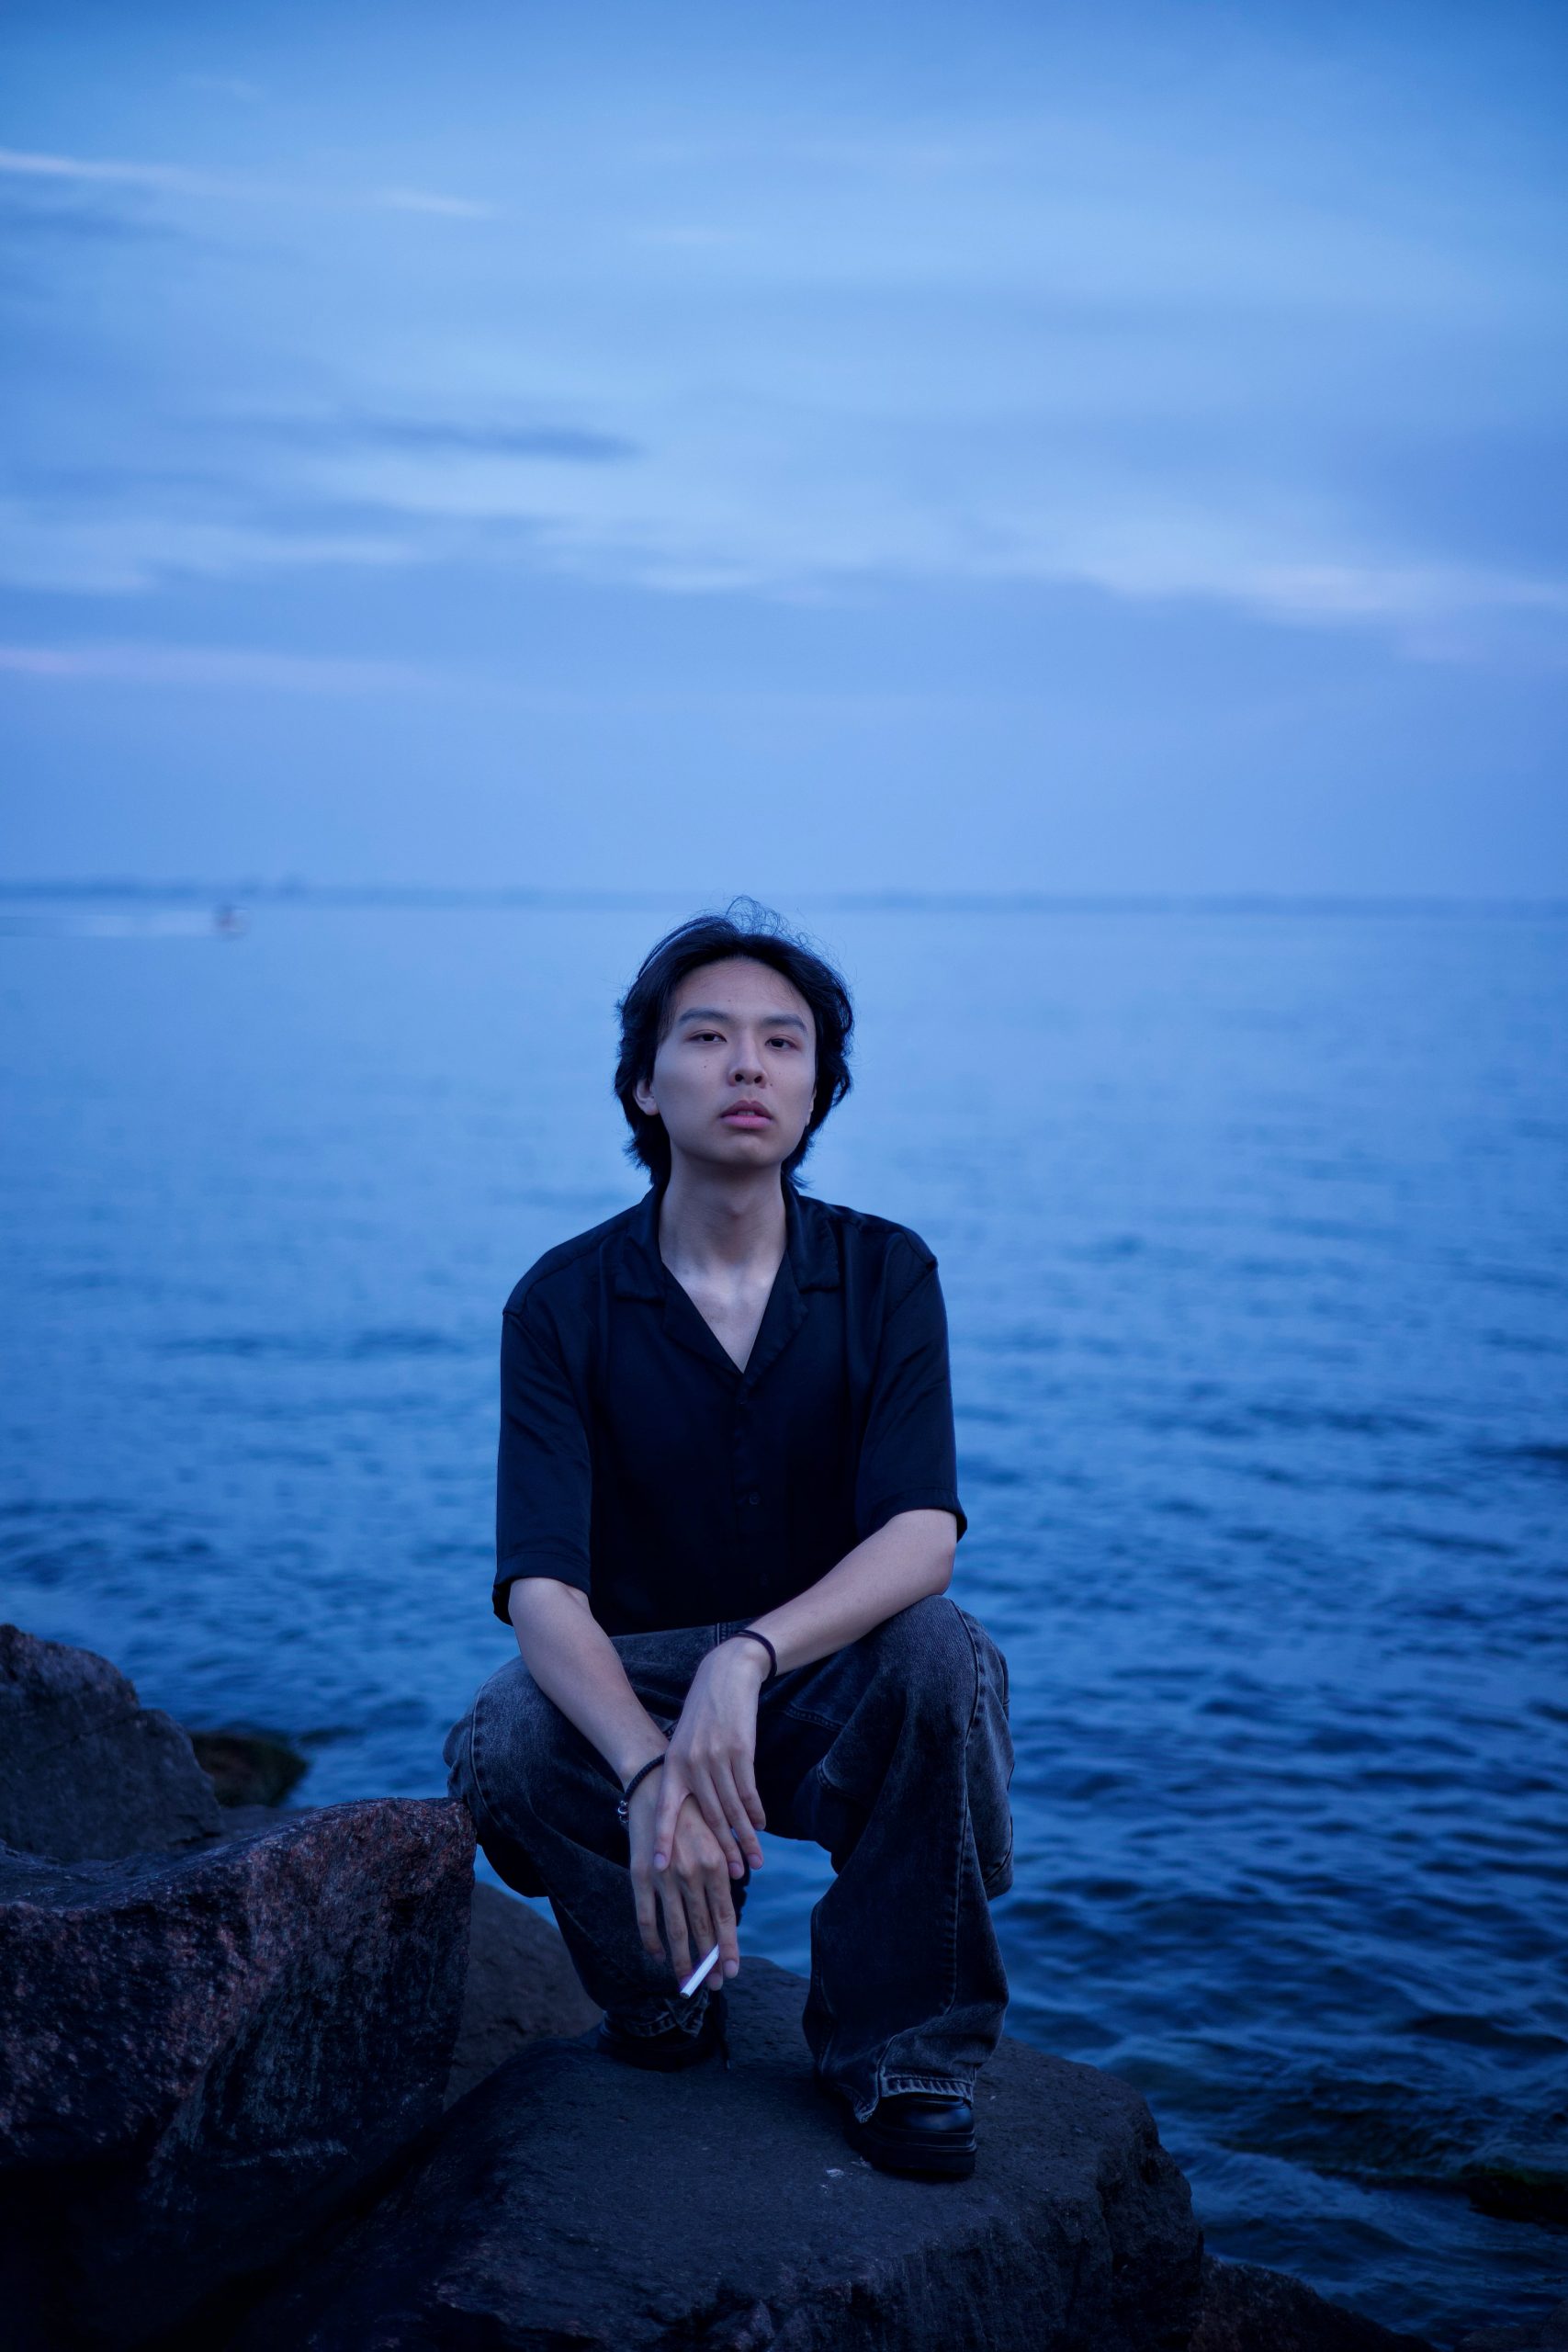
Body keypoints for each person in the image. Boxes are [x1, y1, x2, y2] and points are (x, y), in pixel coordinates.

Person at [443, 902, 1014, 2179]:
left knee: (938, 1652)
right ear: (645, 1084)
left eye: (784, 1042)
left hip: (819, 1672)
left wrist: (746, 1659)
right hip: (636, 1680)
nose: (748, 1065)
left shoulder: (886, 1275)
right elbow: (541, 1587)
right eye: (707, 1038)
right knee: (514, 1729)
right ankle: (664, 1990)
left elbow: (921, 1538)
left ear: (820, 1088)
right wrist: (651, 1766)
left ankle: (904, 2051)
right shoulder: (561, 1302)